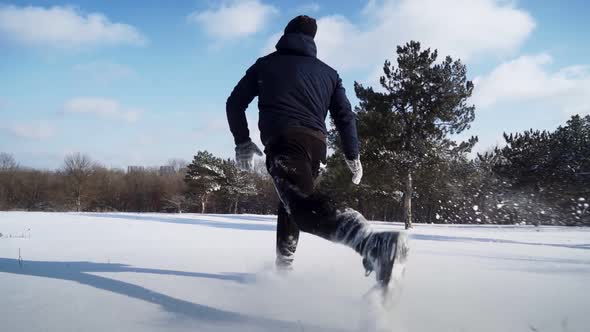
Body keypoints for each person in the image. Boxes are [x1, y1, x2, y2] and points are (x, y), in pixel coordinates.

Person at [226, 15, 407, 285]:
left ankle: (370, 242)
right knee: (292, 203)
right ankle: (283, 268)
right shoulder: (329, 73)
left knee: (302, 206)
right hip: (316, 146)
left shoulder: (266, 65)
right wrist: (352, 155)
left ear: (285, 35)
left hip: (285, 141)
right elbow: (345, 117)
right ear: (312, 40)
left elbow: (234, 103)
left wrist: (242, 141)